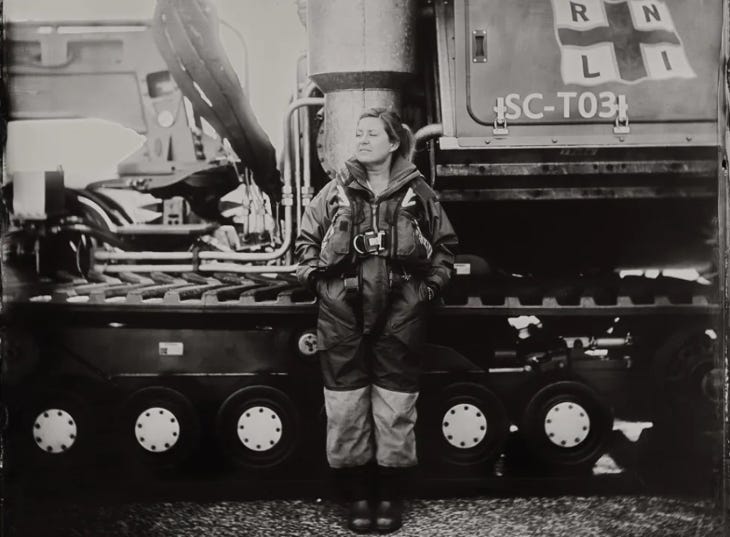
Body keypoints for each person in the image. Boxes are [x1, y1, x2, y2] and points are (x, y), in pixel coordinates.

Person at [295, 107, 458, 533]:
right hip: (341, 314)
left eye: (372, 134)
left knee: (394, 407)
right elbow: (306, 242)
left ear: (393, 142)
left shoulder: (418, 193)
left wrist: (428, 291)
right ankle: (357, 497)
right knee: (346, 406)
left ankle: (389, 495)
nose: (363, 139)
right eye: (359, 133)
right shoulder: (334, 191)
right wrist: (318, 283)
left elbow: (445, 249)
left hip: (401, 315)